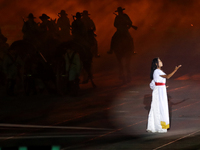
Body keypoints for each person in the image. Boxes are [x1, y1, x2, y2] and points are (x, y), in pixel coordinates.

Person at [147, 57, 181, 133]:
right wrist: (175, 70)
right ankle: (159, 127)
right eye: (159, 61)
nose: (161, 62)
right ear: (156, 64)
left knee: (162, 107)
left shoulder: (158, 71)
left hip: (161, 90)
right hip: (159, 92)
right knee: (159, 108)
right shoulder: (156, 71)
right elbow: (168, 76)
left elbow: (156, 82)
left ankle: (159, 126)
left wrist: (163, 86)